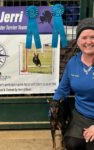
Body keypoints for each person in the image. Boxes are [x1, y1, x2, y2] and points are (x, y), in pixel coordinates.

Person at [53, 17, 94, 150]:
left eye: (92, 37)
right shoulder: (73, 63)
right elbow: (62, 90)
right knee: (72, 143)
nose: (88, 41)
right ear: (78, 41)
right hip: (81, 115)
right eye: (84, 37)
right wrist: (53, 108)